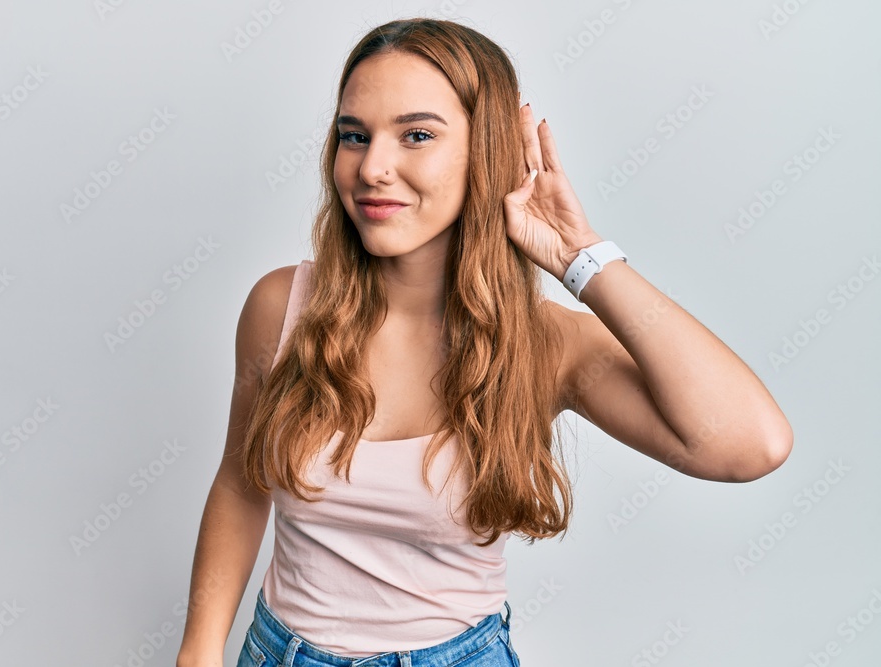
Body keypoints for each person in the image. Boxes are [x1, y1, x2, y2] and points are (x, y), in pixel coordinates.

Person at [175, 17, 793, 667]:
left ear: (487, 151)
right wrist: (200, 647)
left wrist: (583, 258)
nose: (372, 167)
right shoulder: (282, 307)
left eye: (416, 134)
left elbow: (749, 443)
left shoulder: (545, 344)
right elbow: (243, 485)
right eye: (353, 136)